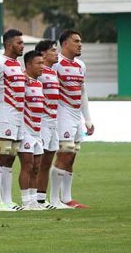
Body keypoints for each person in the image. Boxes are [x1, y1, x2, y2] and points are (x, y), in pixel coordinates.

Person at [50, 30, 94, 209]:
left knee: (71, 157)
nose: (80, 44)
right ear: (65, 44)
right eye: (76, 41)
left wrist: (88, 119)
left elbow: (83, 92)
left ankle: (67, 197)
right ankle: (53, 199)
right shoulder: (55, 64)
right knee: (64, 154)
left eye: (80, 41)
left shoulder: (81, 65)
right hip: (62, 115)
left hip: (76, 116)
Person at [0, 29, 26, 211]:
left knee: (10, 160)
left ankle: (8, 199)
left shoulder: (18, 65)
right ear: (9, 44)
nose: (22, 46)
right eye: (19, 43)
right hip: (3, 117)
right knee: (0, 158)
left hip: (17, 118)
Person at [18, 50, 46, 210]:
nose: (42, 67)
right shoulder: (22, 81)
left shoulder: (38, 83)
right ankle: (25, 200)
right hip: (26, 131)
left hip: (37, 131)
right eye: (39, 63)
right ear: (28, 65)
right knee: (27, 166)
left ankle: (34, 200)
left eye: (42, 63)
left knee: (36, 167)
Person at [34, 39, 60, 209]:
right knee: (37, 162)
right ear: (43, 54)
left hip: (53, 122)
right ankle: (32, 198)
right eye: (52, 50)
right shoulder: (39, 72)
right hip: (42, 122)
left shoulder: (53, 72)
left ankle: (42, 199)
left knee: (47, 163)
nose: (56, 53)